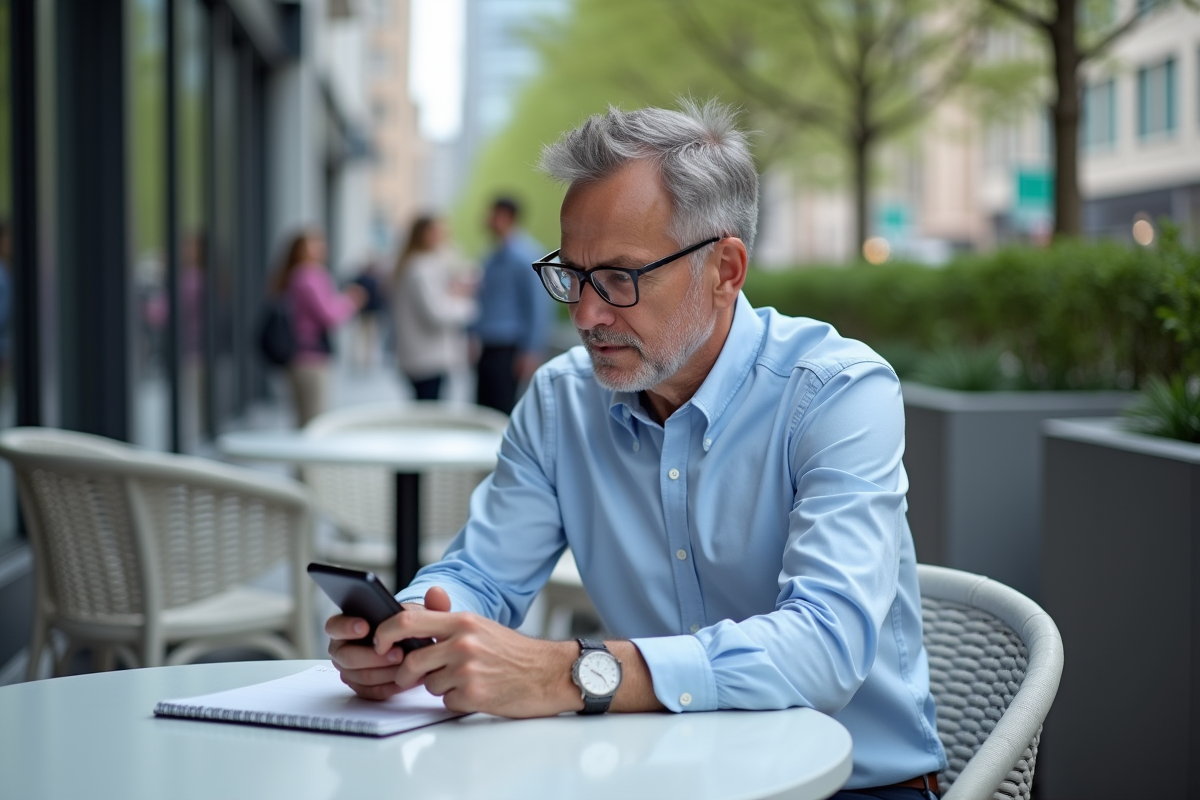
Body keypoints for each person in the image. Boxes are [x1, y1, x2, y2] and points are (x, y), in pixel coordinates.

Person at [326, 102, 946, 798]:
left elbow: (825, 646)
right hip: (657, 772)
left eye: (619, 279)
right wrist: (410, 631)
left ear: (725, 269)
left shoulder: (837, 393)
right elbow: (486, 577)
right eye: (571, 276)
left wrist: (565, 672)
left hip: (855, 785)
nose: (586, 315)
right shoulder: (562, 400)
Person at [273, 230, 365, 426]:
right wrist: (351, 301)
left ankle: (299, 457)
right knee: (315, 423)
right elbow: (329, 316)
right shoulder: (310, 276)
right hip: (310, 357)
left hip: (298, 356)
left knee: (302, 421)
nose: (321, 248)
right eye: (314, 244)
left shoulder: (296, 275)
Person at [470, 197, 551, 414]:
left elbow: (538, 305)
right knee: (482, 409)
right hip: (488, 345)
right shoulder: (491, 255)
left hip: (509, 348)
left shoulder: (526, 255)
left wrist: (532, 350)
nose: (487, 220)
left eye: (493, 214)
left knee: (501, 410)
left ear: (506, 217)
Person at [390, 215, 477, 401]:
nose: (444, 237)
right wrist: (466, 304)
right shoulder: (421, 269)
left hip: (421, 356)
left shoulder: (416, 264)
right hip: (427, 359)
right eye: (438, 232)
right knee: (429, 415)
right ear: (425, 235)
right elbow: (436, 314)